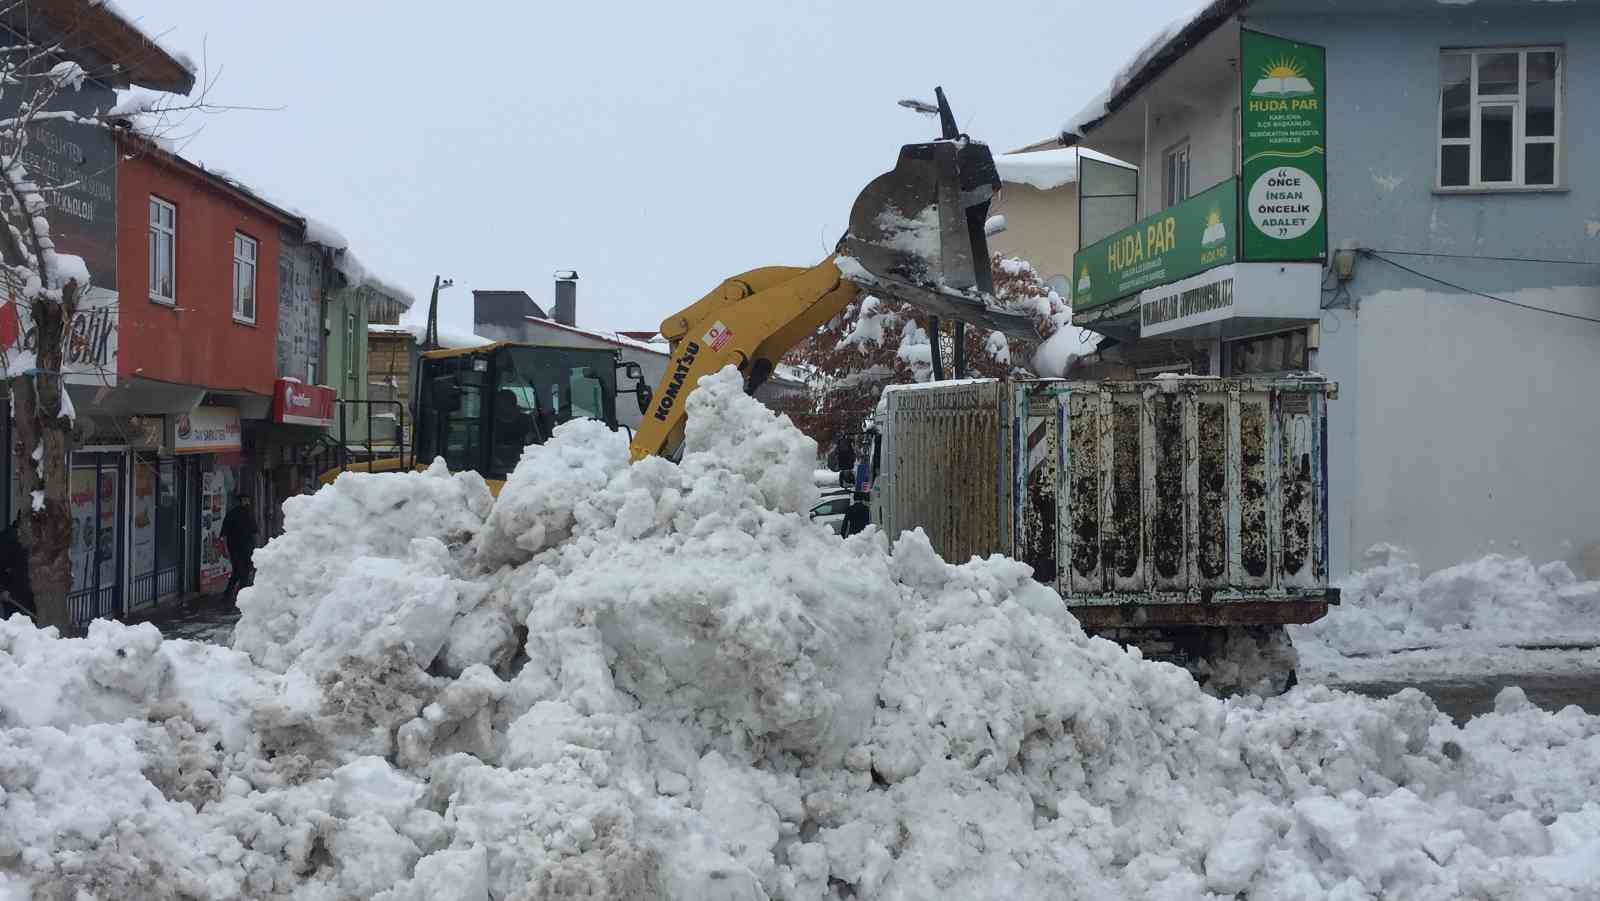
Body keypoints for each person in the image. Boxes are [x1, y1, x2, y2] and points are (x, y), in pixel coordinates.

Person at [221, 495, 258, 599]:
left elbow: (254, 532)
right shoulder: (233, 514)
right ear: (240, 502)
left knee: (242, 571)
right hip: (236, 548)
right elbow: (224, 534)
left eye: (248, 500)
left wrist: (255, 547)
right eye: (245, 500)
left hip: (245, 548)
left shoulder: (249, 514)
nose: (247, 502)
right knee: (240, 571)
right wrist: (226, 549)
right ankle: (236, 595)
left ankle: (234, 594)